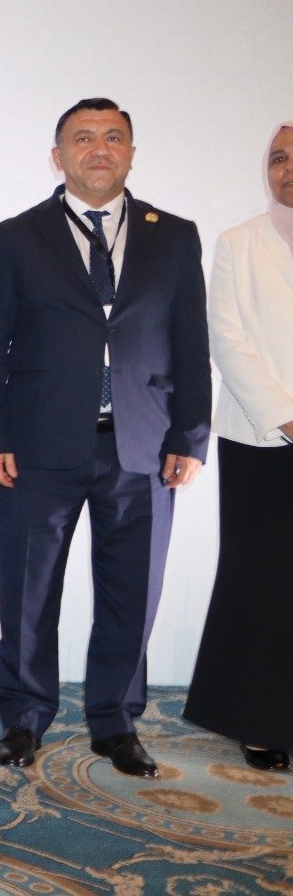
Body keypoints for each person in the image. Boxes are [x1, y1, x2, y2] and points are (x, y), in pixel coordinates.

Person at [0, 97, 209, 777]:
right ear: (58, 157)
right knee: (28, 593)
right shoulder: (16, 236)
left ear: (132, 153)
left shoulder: (174, 236)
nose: (99, 148)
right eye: (83, 138)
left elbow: (191, 344)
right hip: (38, 446)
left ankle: (115, 721)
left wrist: (190, 435)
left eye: (114, 137)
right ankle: (25, 717)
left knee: (131, 594)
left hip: (142, 444)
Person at [183, 119, 293, 772]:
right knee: (261, 579)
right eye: (278, 157)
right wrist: (286, 416)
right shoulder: (237, 243)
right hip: (261, 437)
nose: (287, 168)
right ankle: (258, 720)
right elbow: (226, 337)